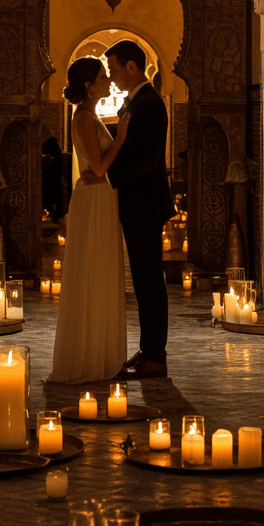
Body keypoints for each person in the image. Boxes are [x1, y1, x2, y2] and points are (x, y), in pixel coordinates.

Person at [86, 38, 174, 379]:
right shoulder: (137, 102)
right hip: (139, 204)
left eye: (114, 68)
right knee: (143, 280)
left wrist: (108, 177)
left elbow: (149, 160)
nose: (112, 76)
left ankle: (156, 357)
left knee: (149, 281)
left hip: (146, 205)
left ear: (132, 67)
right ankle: (149, 349)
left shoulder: (149, 104)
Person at [47, 57, 130, 383]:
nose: (108, 81)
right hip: (93, 200)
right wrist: (121, 135)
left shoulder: (89, 115)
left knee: (99, 272)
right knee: (92, 273)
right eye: (101, 77)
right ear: (87, 86)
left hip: (100, 197)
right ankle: (89, 359)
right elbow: (97, 167)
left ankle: (100, 354)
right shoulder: (82, 117)